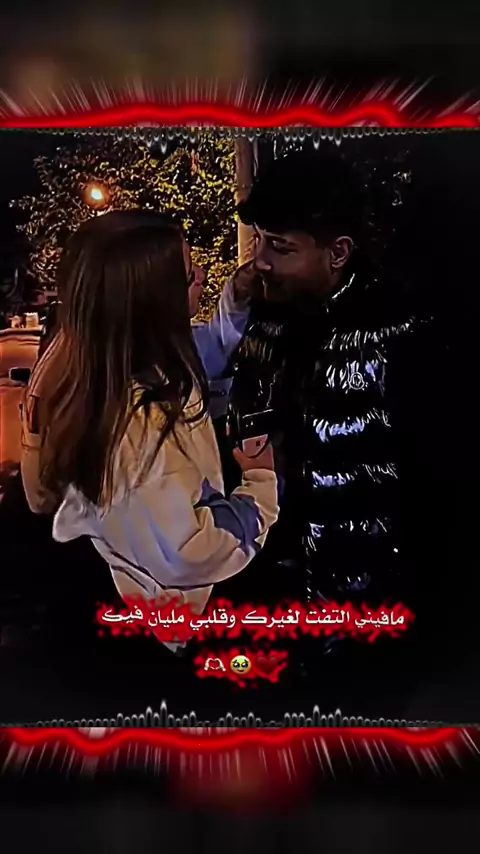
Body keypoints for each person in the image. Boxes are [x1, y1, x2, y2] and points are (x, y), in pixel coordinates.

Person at [209, 149, 446, 714]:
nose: (260, 261)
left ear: (338, 252)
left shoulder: (402, 336)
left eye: (280, 246)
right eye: (260, 240)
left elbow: (437, 486)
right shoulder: (267, 320)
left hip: (375, 627)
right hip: (269, 607)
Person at [20, 210, 279, 643]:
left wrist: (237, 294)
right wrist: (259, 489)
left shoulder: (105, 372)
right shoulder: (141, 423)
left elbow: (212, 347)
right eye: (187, 274)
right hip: (168, 624)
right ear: (153, 301)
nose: (200, 276)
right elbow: (187, 552)